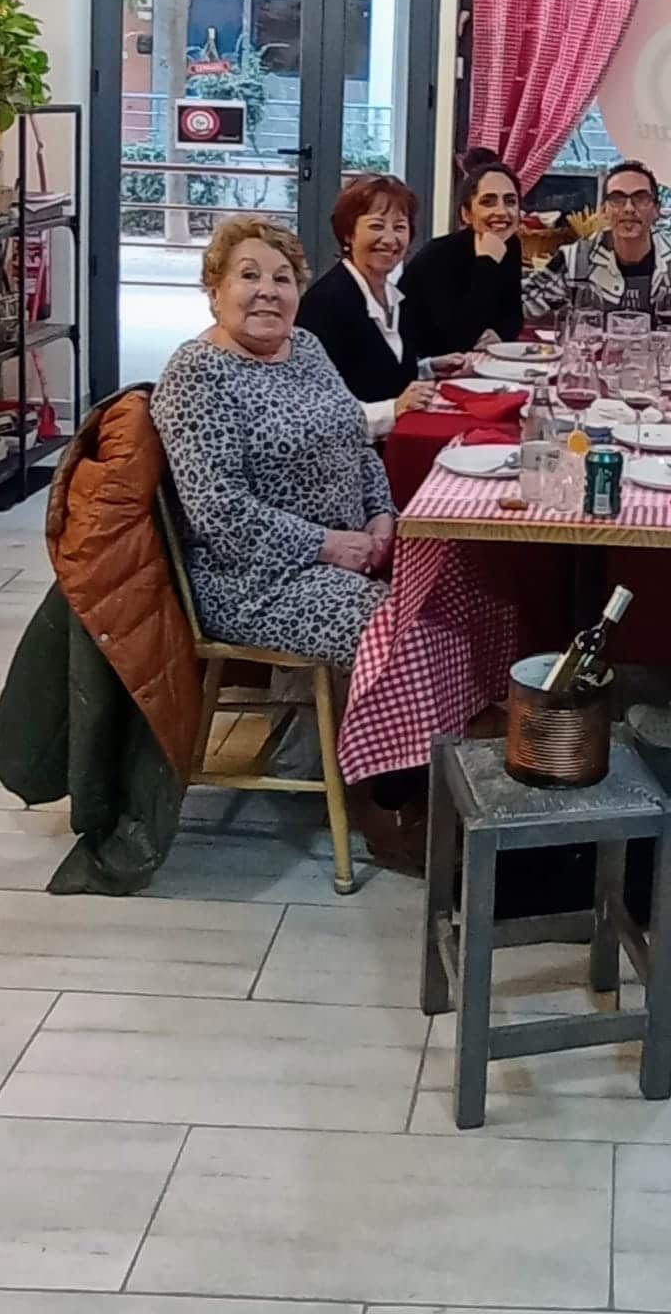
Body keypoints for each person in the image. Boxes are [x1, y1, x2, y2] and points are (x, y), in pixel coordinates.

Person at [152, 215, 419, 870]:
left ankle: (413, 768)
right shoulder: (197, 375)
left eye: (281, 278)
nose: (267, 292)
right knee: (397, 630)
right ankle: (383, 799)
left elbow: (354, 442)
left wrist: (381, 515)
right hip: (251, 581)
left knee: (458, 584)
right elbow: (218, 512)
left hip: (343, 550)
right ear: (214, 289)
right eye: (248, 276)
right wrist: (329, 545)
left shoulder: (306, 349)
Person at [522, 159, 671, 333]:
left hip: (669, 377)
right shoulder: (575, 259)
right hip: (595, 379)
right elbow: (521, 305)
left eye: (640, 198)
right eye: (617, 199)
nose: (628, 208)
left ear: (657, 210)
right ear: (604, 211)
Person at [297, 176, 436, 440]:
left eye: (399, 227)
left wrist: (430, 367)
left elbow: (378, 371)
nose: (389, 239)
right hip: (349, 462)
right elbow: (318, 414)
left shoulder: (392, 297)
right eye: (376, 226)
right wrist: (392, 410)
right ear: (348, 233)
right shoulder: (326, 305)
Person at [400, 157, 524, 362]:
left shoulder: (511, 245)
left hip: (476, 362)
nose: (501, 211)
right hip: (423, 368)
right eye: (488, 202)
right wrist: (487, 263)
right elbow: (458, 338)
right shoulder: (438, 256)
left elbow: (513, 317)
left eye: (510, 201)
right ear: (466, 214)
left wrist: (499, 334)